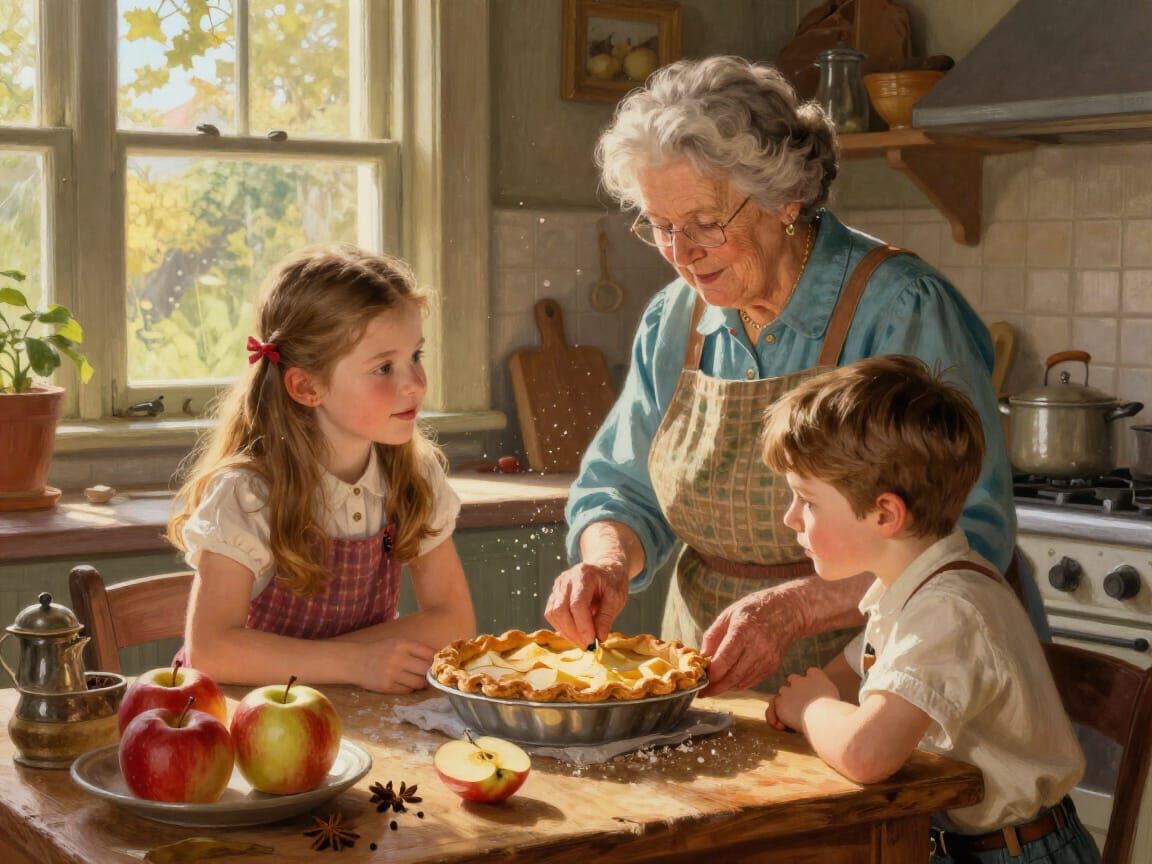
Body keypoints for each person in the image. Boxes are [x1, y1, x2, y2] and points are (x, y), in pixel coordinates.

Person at [544, 55, 1038, 695]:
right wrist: (607, 562)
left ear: (785, 199)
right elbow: (622, 488)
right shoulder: (675, 318)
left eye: (705, 224)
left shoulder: (902, 307)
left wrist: (796, 609)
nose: (682, 254)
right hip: (707, 671)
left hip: (887, 678)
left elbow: (969, 537)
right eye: (661, 227)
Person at [762, 356, 1099, 864]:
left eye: (807, 501)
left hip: (1017, 856)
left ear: (885, 514)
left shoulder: (949, 610)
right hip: (967, 847)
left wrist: (810, 708)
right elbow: (850, 676)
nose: (791, 518)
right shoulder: (913, 588)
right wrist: (811, 696)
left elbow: (865, 754)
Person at [168, 244, 476, 693]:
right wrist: (355, 663)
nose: (415, 383)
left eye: (416, 356)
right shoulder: (249, 494)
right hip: (247, 716)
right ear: (307, 386)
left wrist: (342, 663)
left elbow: (454, 622)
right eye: (384, 367)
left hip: (352, 710)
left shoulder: (413, 476)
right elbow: (213, 651)